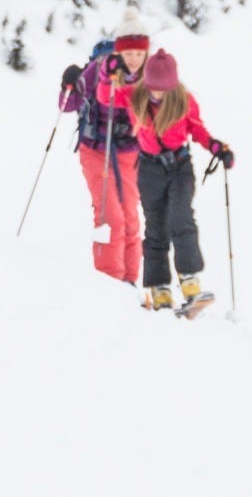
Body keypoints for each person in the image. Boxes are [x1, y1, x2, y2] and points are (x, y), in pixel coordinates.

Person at [97, 48, 234, 313]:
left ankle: (190, 281)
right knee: (156, 226)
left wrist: (216, 147)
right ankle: (159, 289)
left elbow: (198, 129)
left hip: (180, 166)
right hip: (149, 170)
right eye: (154, 87)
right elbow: (106, 96)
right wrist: (106, 73)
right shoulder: (134, 95)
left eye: (163, 88)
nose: (158, 93)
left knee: (181, 218)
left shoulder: (184, 100)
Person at [57, 11, 148, 284]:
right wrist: (67, 85)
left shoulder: (143, 75)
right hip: (96, 150)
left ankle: (130, 283)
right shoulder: (97, 70)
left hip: (129, 153)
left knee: (131, 219)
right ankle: (109, 285)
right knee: (111, 216)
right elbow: (66, 105)